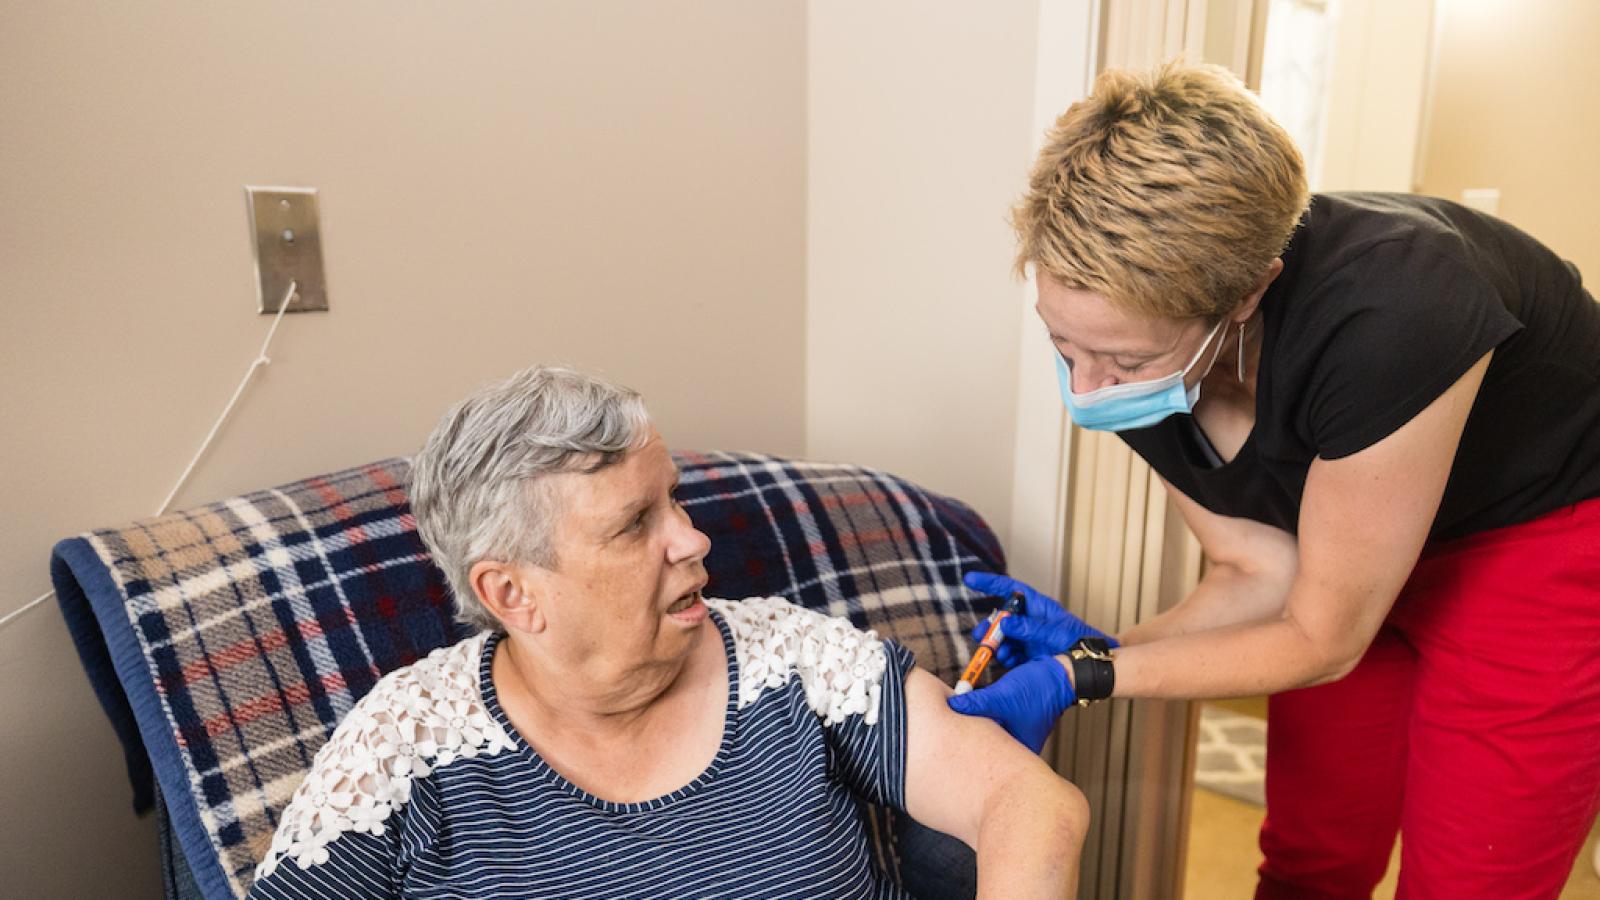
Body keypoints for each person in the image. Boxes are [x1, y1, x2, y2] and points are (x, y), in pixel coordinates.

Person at [946, 61, 1600, 898]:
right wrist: (1098, 650)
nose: (1087, 388)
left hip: (1535, 537)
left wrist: (1092, 676)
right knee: (1313, 856)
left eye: (1124, 360)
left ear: (1248, 295)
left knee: (1472, 879)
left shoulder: (1398, 311)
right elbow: (1257, 568)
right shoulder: (1129, 344)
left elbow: (1323, 641)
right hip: (1338, 561)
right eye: (1064, 345)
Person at [247, 365, 1087, 899]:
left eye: (674, 499)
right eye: (634, 524)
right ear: (512, 592)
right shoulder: (404, 748)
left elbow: (1029, 804)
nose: (692, 539)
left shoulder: (792, 660)